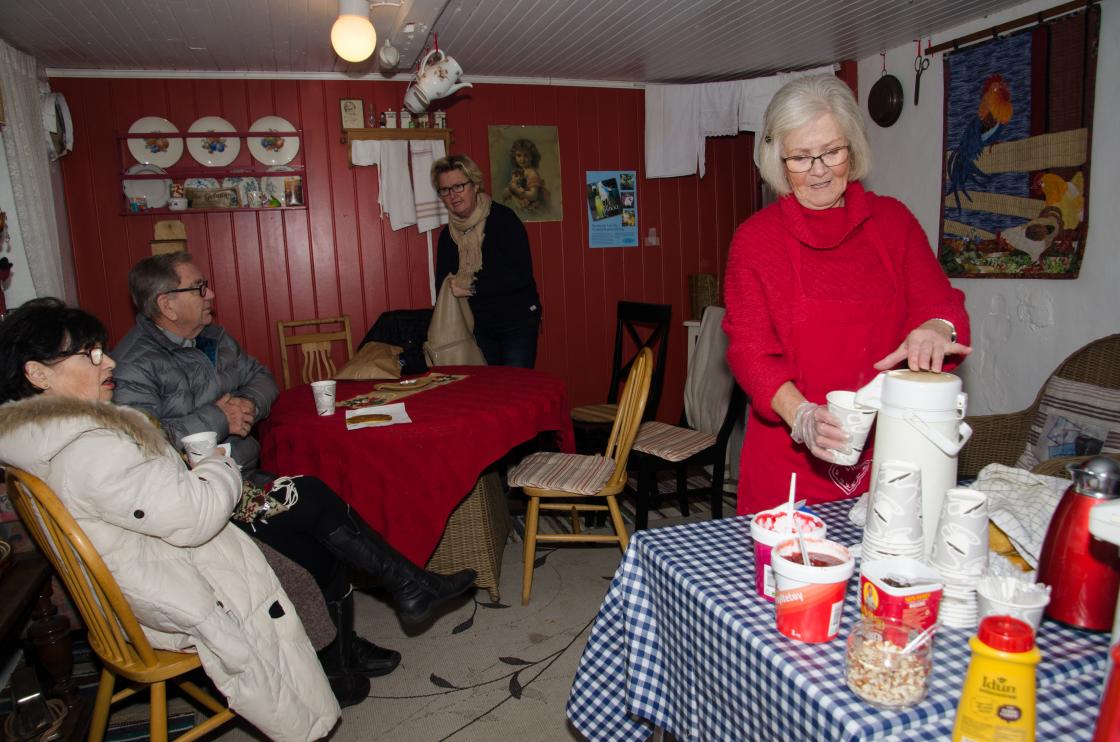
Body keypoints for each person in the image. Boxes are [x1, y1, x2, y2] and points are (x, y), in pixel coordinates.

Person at [110, 252, 476, 700]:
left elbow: (263, 378)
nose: (211, 295)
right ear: (167, 304)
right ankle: (402, 591)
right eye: (200, 287)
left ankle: (347, 646)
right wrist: (217, 417)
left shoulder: (213, 338)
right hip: (203, 495)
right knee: (313, 498)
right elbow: (142, 441)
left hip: (241, 474)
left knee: (319, 529)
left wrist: (244, 407)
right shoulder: (133, 364)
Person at [0, 299, 339, 742]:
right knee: (301, 545)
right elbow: (196, 517)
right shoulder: (89, 448)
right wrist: (220, 463)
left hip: (135, 585)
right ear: (37, 374)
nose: (111, 360)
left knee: (303, 513)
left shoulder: (38, 441)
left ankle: (350, 647)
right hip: (174, 598)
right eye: (91, 354)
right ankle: (337, 671)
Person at [723, 73, 972, 514]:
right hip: (788, 472)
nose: (818, 170)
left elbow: (939, 301)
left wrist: (935, 327)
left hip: (892, 464)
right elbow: (750, 349)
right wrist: (802, 416)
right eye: (801, 157)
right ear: (777, 160)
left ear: (853, 148)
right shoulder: (755, 241)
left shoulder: (892, 223)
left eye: (831, 152)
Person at [432, 153, 542, 368]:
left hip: (516, 322)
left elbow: (521, 276)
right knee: (488, 394)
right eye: (445, 190)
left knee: (514, 390)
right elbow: (442, 285)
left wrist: (472, 288)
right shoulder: (448, 236)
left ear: (475, 185)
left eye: (459, 186)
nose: (452, 195)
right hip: (476, 327)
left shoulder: (503, 220)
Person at [500, 138, 548, 212]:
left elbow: (533, 196)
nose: (522, 159)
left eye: (526, 155)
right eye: (519, 155)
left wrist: (515, 189)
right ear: (514, 157)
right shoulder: (520, 171)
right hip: (520, 202)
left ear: (532, 157)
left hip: (531, 205)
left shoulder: (532, 173)